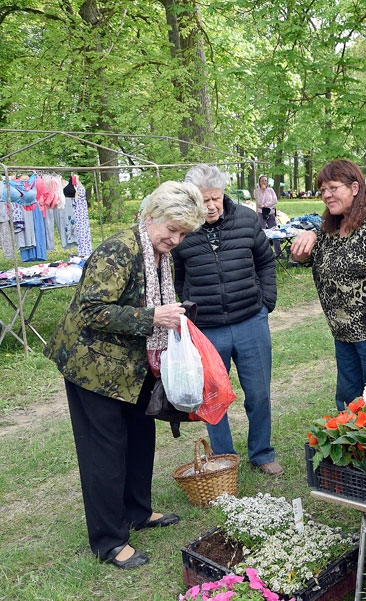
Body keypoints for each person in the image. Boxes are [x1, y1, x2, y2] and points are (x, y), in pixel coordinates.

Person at [43, 181, 205, 569]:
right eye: (172, 229)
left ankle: (137, 511)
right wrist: (153, 317)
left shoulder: (157, 253)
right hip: (92, 368)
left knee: (139, 438)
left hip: (132, 366)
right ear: (150, 217)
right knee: (105, 451)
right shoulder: (119, 249)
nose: (176, 239)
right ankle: (109, 540)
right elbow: (90, 310)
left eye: (183, 233)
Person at [173, 164, 283, 477]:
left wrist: (266, 303)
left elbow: (265, 262)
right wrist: (188, 317)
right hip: (206, 329)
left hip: (251, 321)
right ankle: (223, 458)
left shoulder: (247, 220)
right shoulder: (184, 230)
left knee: (259, 392)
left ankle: (262, 452)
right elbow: (179, 278)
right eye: (203, 200)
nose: (210, 206)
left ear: (224, 195)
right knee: (213, 398)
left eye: (215, 198)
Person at [289, 159, 366, 411]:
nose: (326, 195)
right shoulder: (332, 223)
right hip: (344, 332)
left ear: (355, 188)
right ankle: (353, 450)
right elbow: (311, 259)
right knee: (349, 402)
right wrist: (306, 243)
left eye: (333, 188)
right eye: (323, 190)